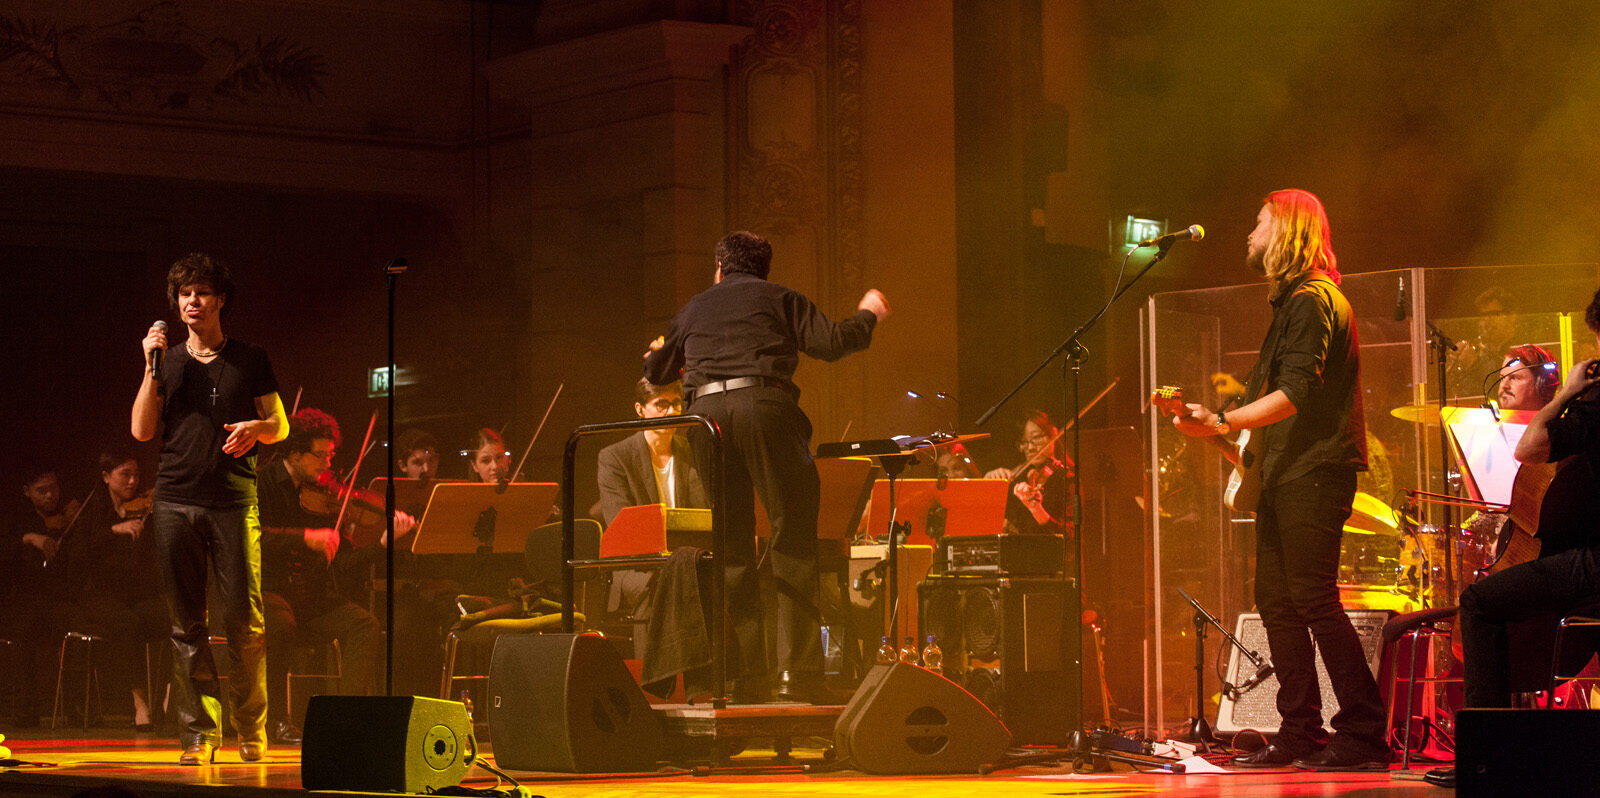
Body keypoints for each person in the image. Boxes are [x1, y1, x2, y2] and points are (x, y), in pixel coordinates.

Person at [1172, 190, 1388, 771]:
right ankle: (1300, 732)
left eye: (1259, 221)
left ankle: (1365, 734)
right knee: (1277, 600)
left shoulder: (1313, 300)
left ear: (1287, 230)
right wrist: (1213, 429)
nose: (1250, 232)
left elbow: (1296, 392)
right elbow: (1272, 416)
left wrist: (1223, 420)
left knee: (1313, 598)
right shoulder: (1294, 303)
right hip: (1290, 471)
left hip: (1315, 471)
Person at [644, 230, 889, 703]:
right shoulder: (780, 298)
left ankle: (745, 677)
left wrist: (658, 354)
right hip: (764, 408)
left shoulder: (694, 307)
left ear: (720, 269)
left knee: (732, 547)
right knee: (792, 538)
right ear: (763, 268)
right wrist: (869, 313)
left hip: (705, 419)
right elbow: (833, 343)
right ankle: (797, 675)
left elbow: (656, 372)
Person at [1425, 301, 1600, 790]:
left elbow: (1528, 448)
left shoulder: (1592, 402)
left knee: (1478, 602)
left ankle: (1487, 757)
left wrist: (1566, 394)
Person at [131, 253, 288, 765]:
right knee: (186, 625)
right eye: (184, 294)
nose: (192, 301)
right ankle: (199, 734)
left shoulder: (250, 357)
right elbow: (142, 430)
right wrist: (149, 367)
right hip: (175, 501)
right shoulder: (168, 361)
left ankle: (250, 729)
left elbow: (280, 424)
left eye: (201, 292)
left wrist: (257, 429)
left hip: (233, 502)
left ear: (220, 300)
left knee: (245, 621)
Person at [257, 408, 412, 745]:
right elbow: (253, 538)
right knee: (281, 625)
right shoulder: (263, 483)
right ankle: (276, 720)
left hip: (308, 596)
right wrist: (304, 537)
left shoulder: (326, 498)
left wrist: (383, 544)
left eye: (330, 455)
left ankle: (348, 719)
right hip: (267, 590)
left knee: (364, 624)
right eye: (320, 455)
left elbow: (344, 565)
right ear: (294, 453)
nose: (327, 464)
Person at [52, 453, 168, 732]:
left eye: (136, 475)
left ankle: (168, 698)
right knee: (128, 624)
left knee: (167, 619)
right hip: (96, 596)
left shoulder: (141, 510)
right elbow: (76, 557)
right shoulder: (91, 514)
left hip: (133, 593)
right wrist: (113, 530)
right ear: (105, 477)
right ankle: (139, 703)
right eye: (125, 474)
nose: (133, 481)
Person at [0, 466, 78, 727]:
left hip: (58, 600)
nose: (50, 496)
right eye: (41, 491)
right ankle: (26, 711)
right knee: (25, 627)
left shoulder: (67, 518)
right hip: (22, 601)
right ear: (27, 492)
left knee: (77, 622)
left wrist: (73, 526)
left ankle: (77, 708)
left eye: (53, 488)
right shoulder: (16, 520)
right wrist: (30, 537)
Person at [596, 378, 708, 527]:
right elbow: (620, 524)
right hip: (640, 540)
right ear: (640, 409)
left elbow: (705, 515)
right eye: (661, 404)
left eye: (676, 403)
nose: (672, 411)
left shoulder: (692, 451)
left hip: (690, 539)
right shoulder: (615, 457)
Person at [982, 410, 1073, 536]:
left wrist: (1036, 509)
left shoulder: (1066, 479)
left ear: (1053, 434)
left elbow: (1070, 535)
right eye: (1024, 442)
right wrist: (989, 486)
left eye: (1036, 438)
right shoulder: (1018, 478)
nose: (1030, 448)